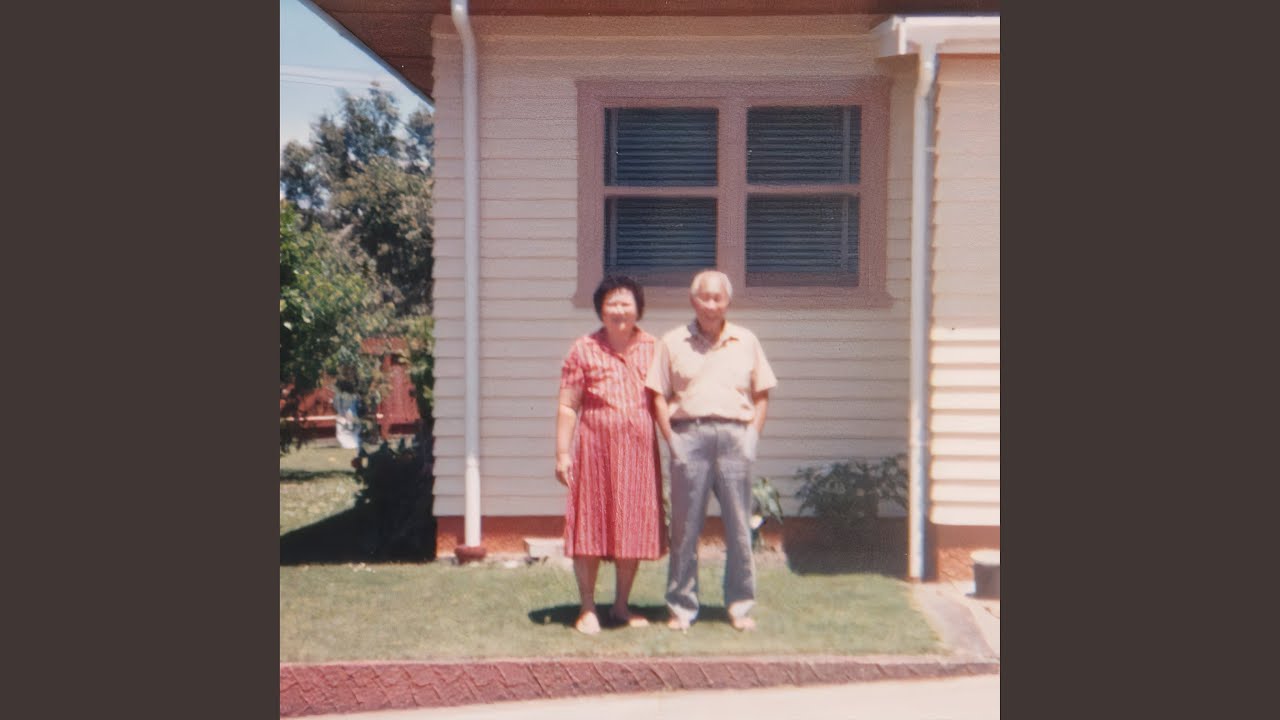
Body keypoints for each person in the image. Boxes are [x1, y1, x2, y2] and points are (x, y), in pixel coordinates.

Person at [645, 270, 777, 632]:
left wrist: (751, 438)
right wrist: (672, 440)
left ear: (727, 302)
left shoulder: (746, 341)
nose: (711, 305)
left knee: (739, 527)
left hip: (735, 438)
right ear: (693, 300)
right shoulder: (673, 342)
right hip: (690, 436)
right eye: (704, 297)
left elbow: (762, 394)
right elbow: (658, 394)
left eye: (717, 298)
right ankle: (682, 607)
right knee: (685, 529)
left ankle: (739, 605)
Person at [556, 275, 667, 635]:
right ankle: (587, 607)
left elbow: (664, 402)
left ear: (638, 308)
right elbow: (568, 405)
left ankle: (621, 606)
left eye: (626, 303)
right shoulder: (583, 349)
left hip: (638, 454)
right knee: (590, 525)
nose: (619, 310)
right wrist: (562, 453)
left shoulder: (654, 348)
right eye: (612, 303)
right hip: (595, 453)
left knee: (631, 527)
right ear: (601, 310)